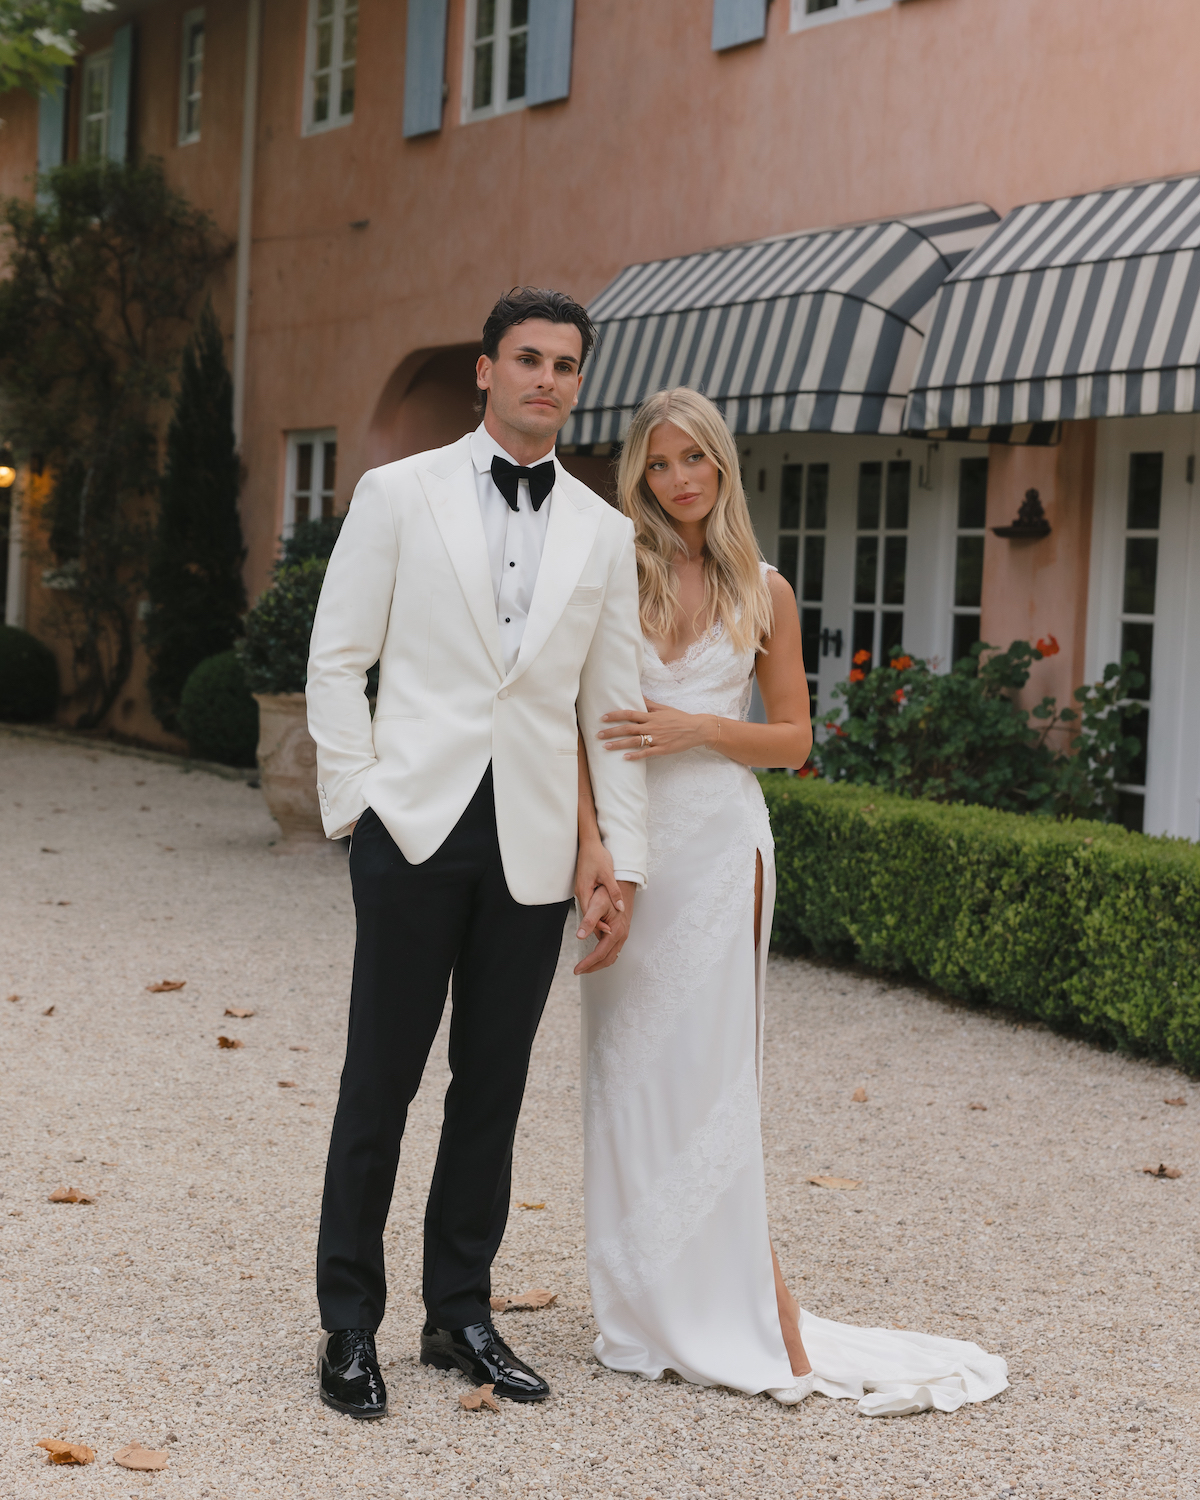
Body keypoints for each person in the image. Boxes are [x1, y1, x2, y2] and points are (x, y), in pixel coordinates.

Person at [576, 387, 1008, 1415]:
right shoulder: (610, 576)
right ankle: (644, 1302)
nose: (679, 479)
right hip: (633, 854)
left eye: (695, 459)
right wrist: (591, 850)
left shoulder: (763, 589)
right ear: (638, 476)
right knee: (628, 1075)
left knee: (714, 1079)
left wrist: (697, 729)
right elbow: (570, 728)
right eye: (659, 463)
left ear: (723, 465)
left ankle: (754, 1305)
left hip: (724, 851)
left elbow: (794, 740)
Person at [305, 288, 647, 1418]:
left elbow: (612, 712)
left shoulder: (604, 532)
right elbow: (337, 657)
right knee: (379, 1083)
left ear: (579, 382)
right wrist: (358, 805)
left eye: (566, 364)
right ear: (487, 371)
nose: (548, 378)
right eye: (528, 358)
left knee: (491, 1089)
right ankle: (349, 1324)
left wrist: (622, 860)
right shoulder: (398, 493)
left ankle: (459, 1314)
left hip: (534, 849)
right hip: (411, 831)